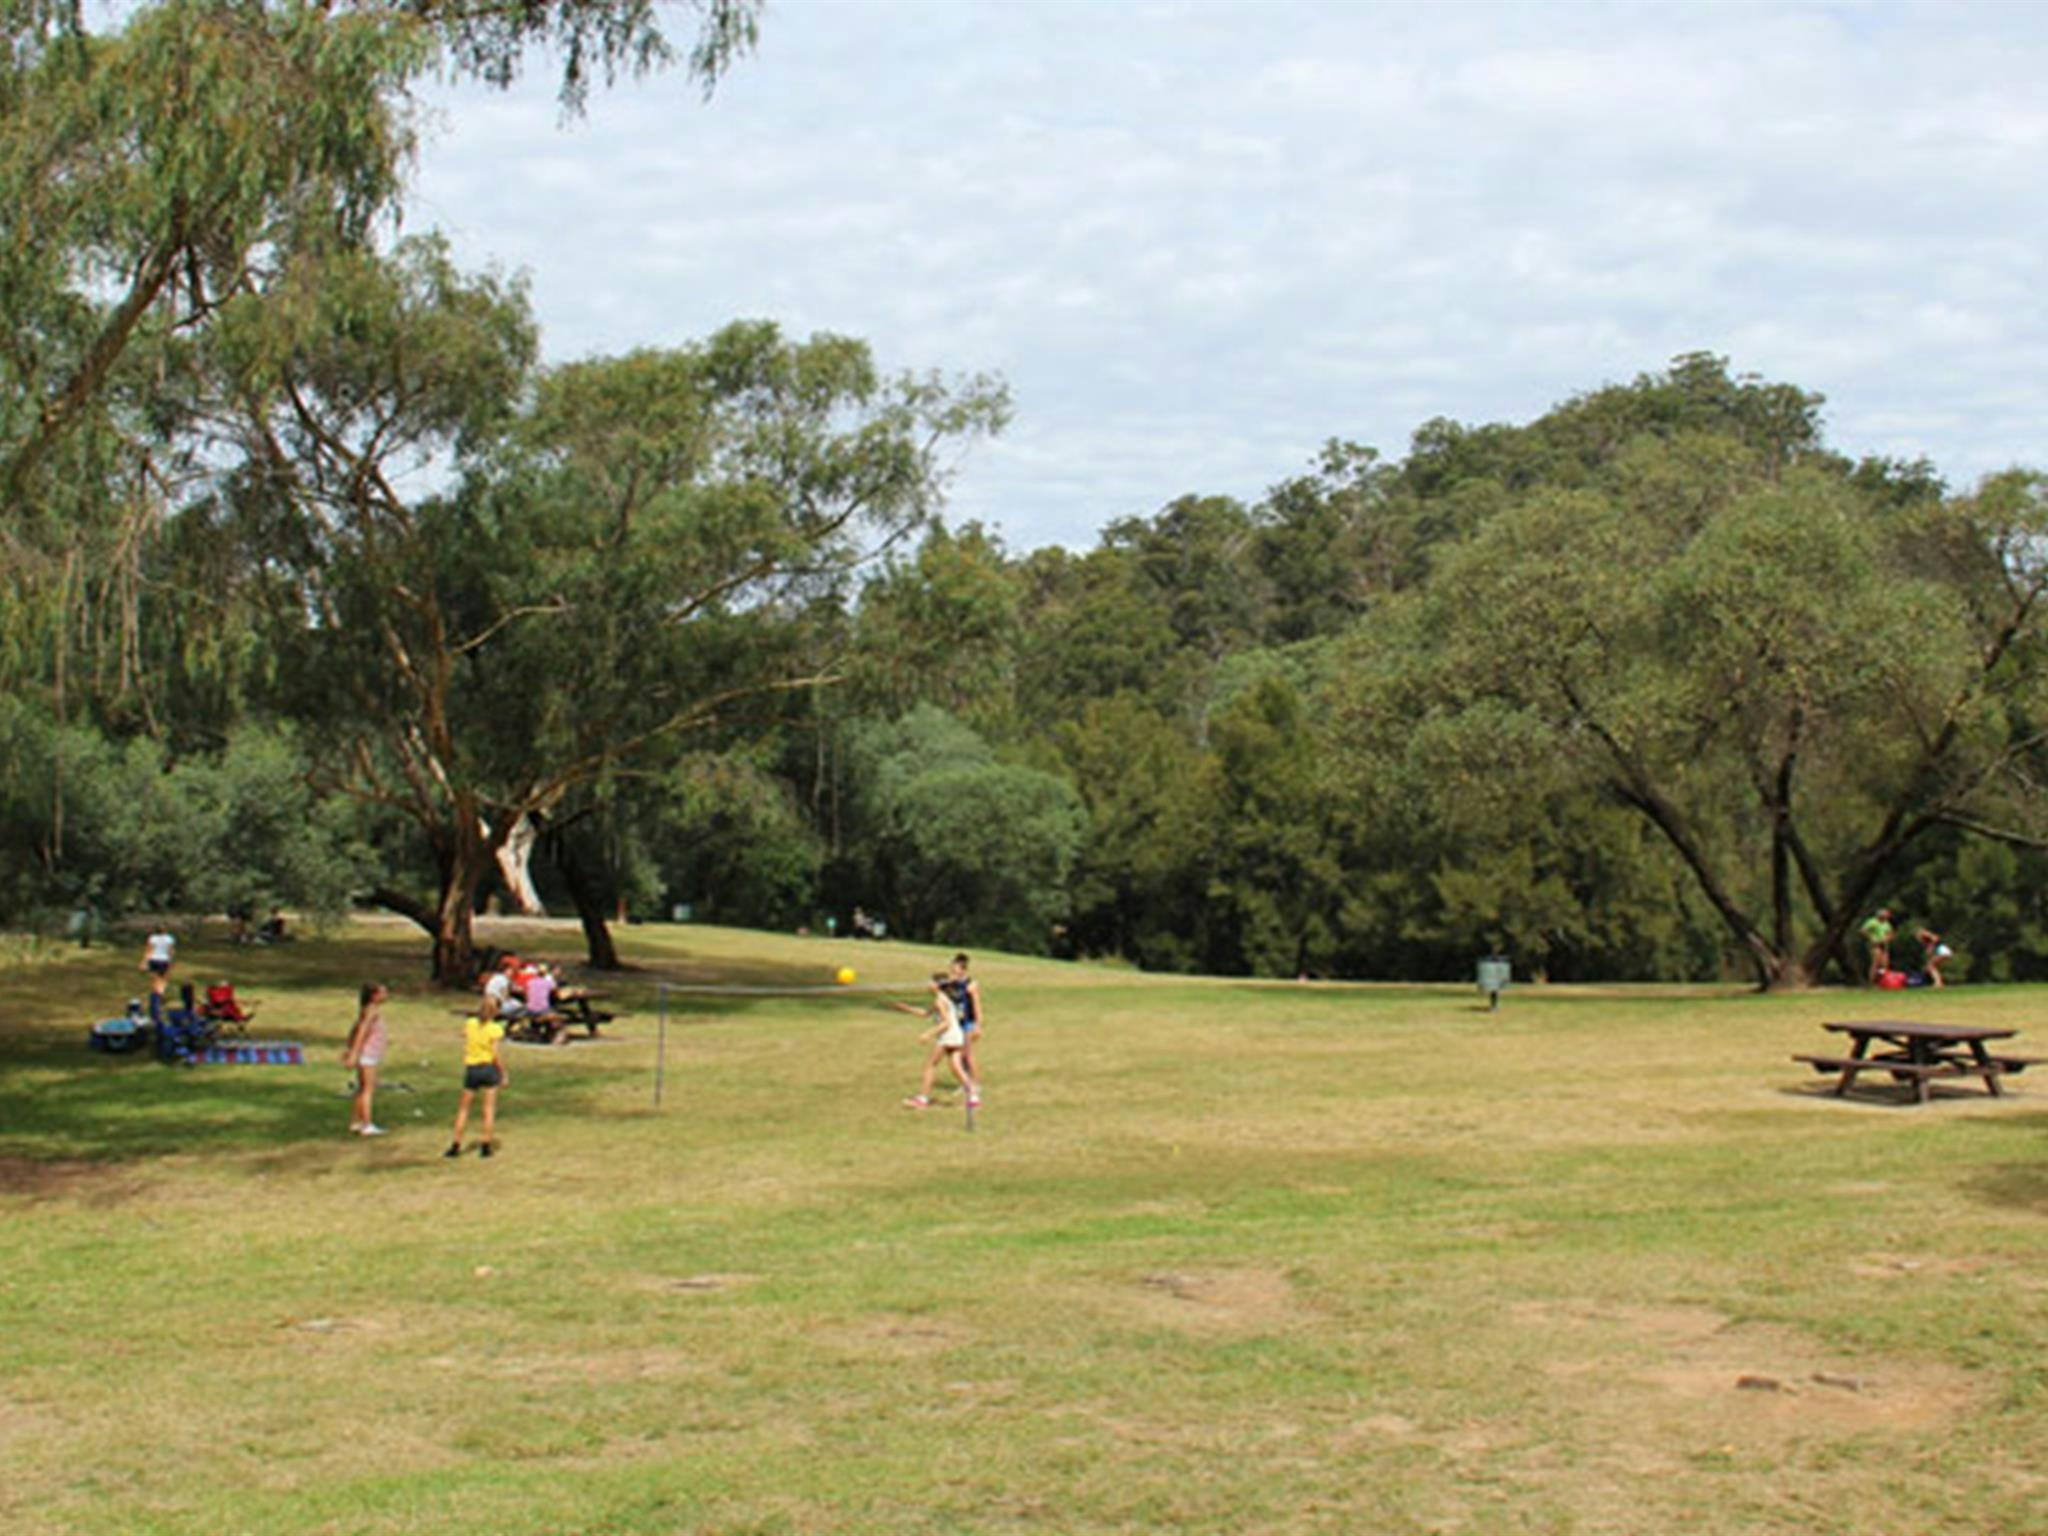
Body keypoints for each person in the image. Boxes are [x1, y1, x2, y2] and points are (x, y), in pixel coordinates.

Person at [896, 974, 979, 1111]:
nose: (928, 985)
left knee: (930, 1065)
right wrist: (906, 1008)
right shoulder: (942, 998)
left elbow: (946, 1023)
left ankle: (922, 1099)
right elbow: (925, 1013)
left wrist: (928, 1034)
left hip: (949, 1036)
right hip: (956, 1035)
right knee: (956, 1067)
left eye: (930, 982)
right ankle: (974, 1097)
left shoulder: (940, 1000)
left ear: (937, 985)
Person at [446, 995, 509, 1159]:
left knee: (464, 1109)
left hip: (472, 1068)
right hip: (488, 1067)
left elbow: (464, 1035)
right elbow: (495, 1053)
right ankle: (485, 1144)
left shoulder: (471, 1024)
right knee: (488, 1109)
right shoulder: (495, 1029)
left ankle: (456, 1144)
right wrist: (502, 1072)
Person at [342, 982, 391, 1136]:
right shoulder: (371, 1012)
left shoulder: (368, 1011)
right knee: (368, 1089)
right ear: (374, 996)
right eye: (382, 992)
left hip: (367, 1054)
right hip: (368, 1055)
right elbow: (362, 1032)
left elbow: (355, 1029)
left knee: (362, 1088)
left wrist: (349, 1048)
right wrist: (354, 1053)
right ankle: (367, 1124)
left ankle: (356, 1122)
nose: (386, 995)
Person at [943, 952, 985, 1084]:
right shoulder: (952, 985)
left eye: (956, 970)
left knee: (967, 1055)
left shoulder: (970, 985)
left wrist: (978, 1026)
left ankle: (975, 1085)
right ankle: (966, 1082)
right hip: (958, 1024)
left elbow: (977, 1007)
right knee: (959, 1056)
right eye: (952, 970)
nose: (953, 973)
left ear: (963, 970)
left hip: (968, 1023)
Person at [1859, 909, 1895, 984]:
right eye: (1885, 915)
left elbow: (1891, 933)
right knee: (1876, 963)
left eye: (1887, 915)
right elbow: (1862, 931)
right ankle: (1871, 982)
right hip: (1875, 945)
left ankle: (1882, 981)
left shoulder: (1886, 924)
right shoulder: (1872, 922)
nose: (1886, 917)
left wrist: (1888, 938)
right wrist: (1871, 937)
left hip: (1884, 945)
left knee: (1885, 964)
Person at [140, 928, 176, 997]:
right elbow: (171, 951)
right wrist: (172, 961)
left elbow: (148, 951)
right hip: (165, 960)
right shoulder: (169, 939)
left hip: (154, 959)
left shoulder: (152, 938)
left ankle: (157, 992)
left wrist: (144, 962)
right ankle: (161, 991)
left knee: (155, 978)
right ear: (165, 931)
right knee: (164, 978)